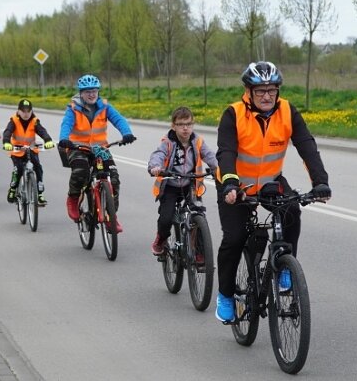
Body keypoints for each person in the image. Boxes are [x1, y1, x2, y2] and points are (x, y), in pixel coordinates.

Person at [214, 61, 332, 323]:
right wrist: (231, 183)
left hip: (269, 181)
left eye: (271, 90)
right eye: (260, 91)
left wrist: (320, 182)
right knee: (234, 238)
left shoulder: (288, 111)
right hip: (236, 185)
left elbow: (306, 146)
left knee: (292, 210)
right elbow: (227, 151)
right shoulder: (233, 114)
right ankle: (224, 295)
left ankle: (285, 266)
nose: (267, 96)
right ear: (248, 91)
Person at [58, 74, 135, 233]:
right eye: (87, 92)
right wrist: (64, 139)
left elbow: (119, 120)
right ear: (81, 93)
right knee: (81, 172)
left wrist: (127, 133)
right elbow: (66, 125)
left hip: (101, 148)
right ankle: (73, 198)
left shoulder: (105, 107)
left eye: (94, 91)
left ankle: (110, 216)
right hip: (78, 148)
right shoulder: (73, 108)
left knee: (113, 179)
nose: (91, 94)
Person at [147, 106, 218, 256]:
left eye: (189, 124)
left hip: (190, 185)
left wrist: (220, 170)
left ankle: (198, 253)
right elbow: (158, 154)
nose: (185, 128)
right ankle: (161, 239)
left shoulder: (197, 141)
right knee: (166, 218)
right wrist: (155, 167)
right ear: (174, 126)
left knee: (198, 215)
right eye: (181, 124)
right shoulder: (168, 142)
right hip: (170, 185)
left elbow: (210, 156)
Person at [2, 99, 55, 204]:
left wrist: (48, 140)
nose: (26, 114)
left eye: (28, 111)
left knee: (38, 167)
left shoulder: (34, 121)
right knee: (19, 169)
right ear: (18, 111)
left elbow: (42, 131)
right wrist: (7, 142)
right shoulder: (14, 120)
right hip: (17, 150)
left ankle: (40, 193)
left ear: (31, 111)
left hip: (31, 148)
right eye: (23, 111)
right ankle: (13, 188)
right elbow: (7, 132)